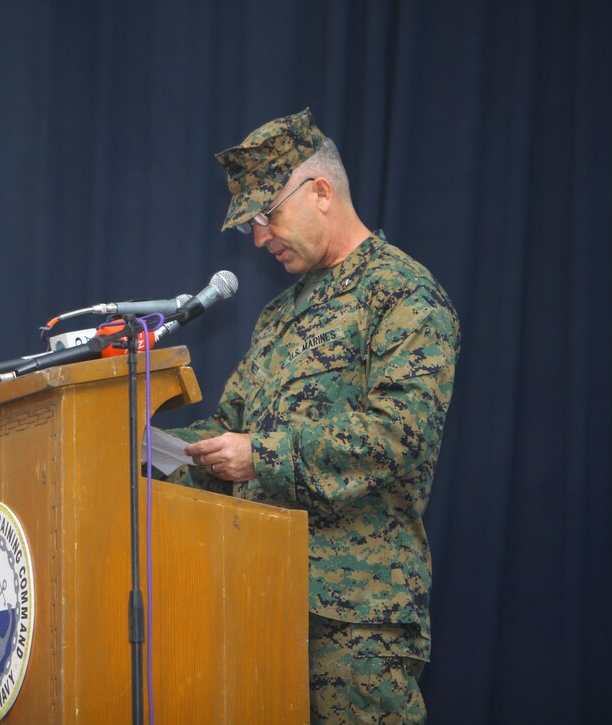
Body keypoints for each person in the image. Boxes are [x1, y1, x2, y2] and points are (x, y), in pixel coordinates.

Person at [163, 108, 460, 723]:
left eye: (266, 215)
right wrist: (146, 450)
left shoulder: (404, 294)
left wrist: (260, 456)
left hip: (355, 617)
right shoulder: (279, 316)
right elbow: (229, 430)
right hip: (256, 595)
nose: (259, 237)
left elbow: (398, 435)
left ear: (321, 192)